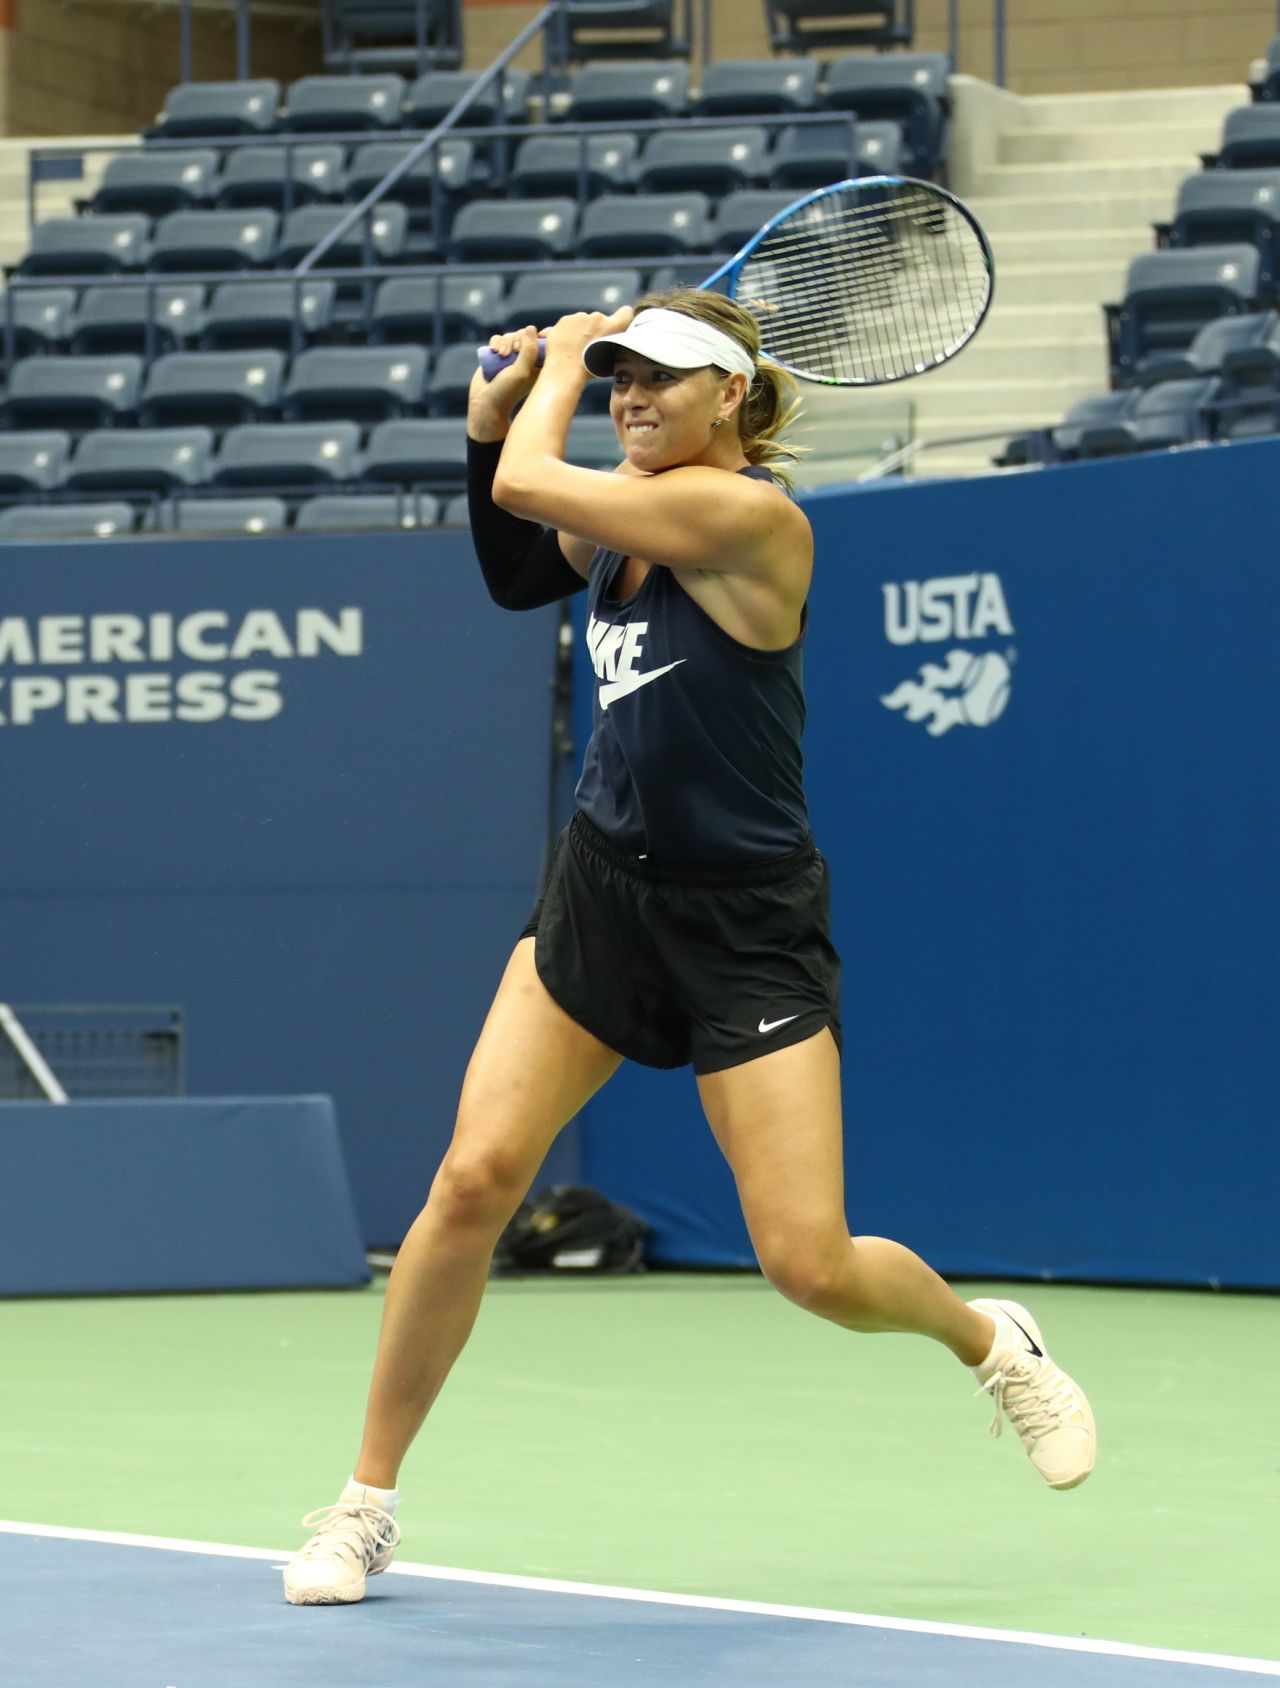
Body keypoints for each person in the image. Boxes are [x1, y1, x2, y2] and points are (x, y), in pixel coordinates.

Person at [283, 290, 1096, 1606]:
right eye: (617, 380)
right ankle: (362, 1504)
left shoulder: (751, 518)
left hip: (747, 927)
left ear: (734, 395)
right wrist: (485, 429)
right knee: (476, 1177)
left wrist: (531, 385)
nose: (632, 398)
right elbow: (510, 562)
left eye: (659, 379)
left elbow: (541, 480)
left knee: (808, 1264)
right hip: (604, 894)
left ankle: (989, 1339)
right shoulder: (622, 522)